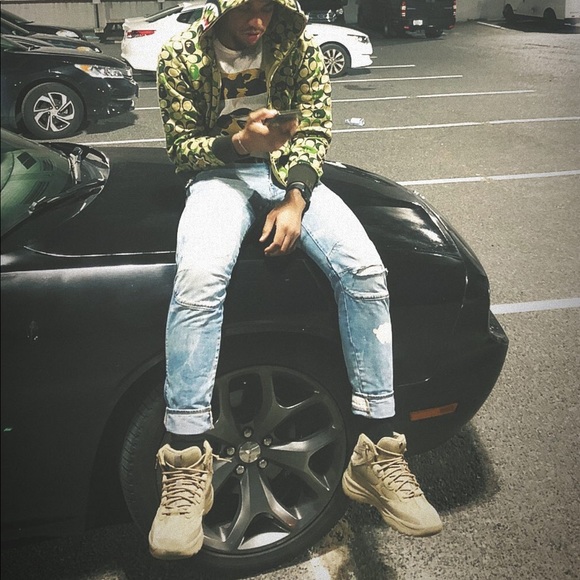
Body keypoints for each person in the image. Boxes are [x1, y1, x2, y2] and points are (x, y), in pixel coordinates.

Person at [150, 0, 442, 560]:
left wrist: (295, 199)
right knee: (199, 279)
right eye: (247, 9)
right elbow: (181, 148)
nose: (257, 22)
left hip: (289, 178)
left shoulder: (298, 45)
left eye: (267, 8)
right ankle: (185, 461)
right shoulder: (181, 54)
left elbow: (314, 132)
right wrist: (240, 143)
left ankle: (377, 450)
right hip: (218, 175)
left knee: (365, 272)